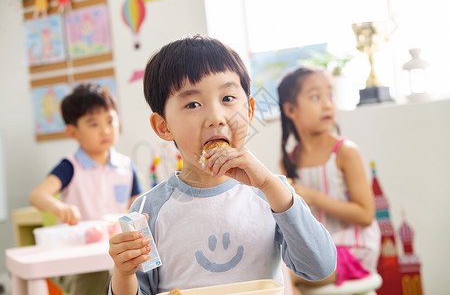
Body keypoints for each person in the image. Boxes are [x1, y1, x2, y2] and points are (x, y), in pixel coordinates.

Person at [108, 35, 337, 295]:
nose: (216, 117)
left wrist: (269, 185)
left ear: (249, 111)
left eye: (228, 98)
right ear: (164, 126)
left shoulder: (272, 193)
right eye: (193, 104)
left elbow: (321, 267)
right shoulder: (148, 209)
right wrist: (123, 272)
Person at [29, 84, 142, 295]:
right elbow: (37, 195)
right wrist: (60, 208)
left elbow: (138, 207)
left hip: (112, 253)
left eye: (110, 120)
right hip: (77, 258)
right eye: (93, 124)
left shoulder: (126, 167)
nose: (105, 130)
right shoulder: (70, 166)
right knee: (97, 279)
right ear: (73, 132)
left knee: (136, 274)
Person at [277, 67, 381, 294]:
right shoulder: (289, 161)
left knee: (288, 276)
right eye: (316, 97)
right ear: (291, 109)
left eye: (330, 96)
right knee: (278, 269)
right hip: (317, 249)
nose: (327, 104)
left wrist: (314, 197)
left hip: (352, 249)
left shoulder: (345, 152)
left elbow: (365, 215)